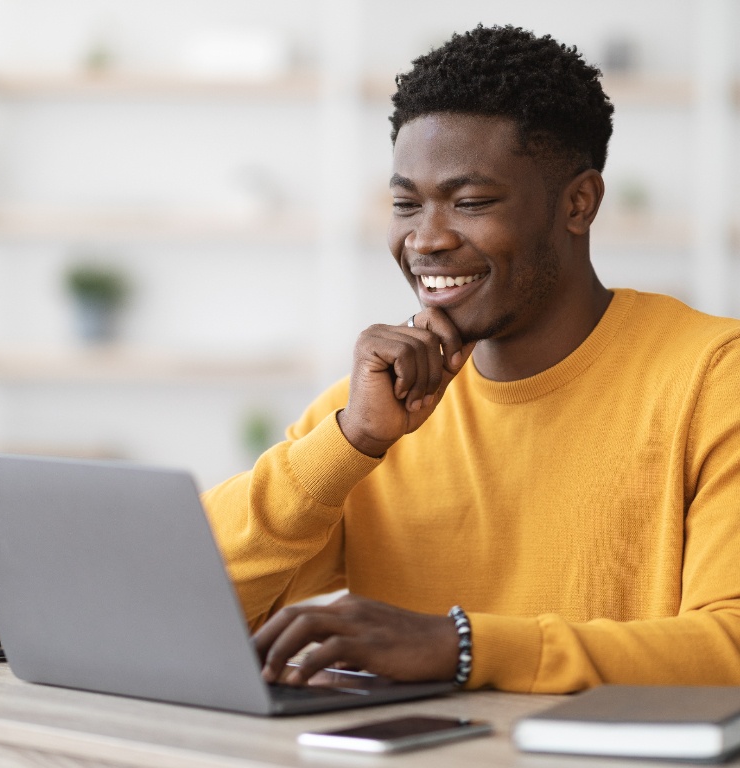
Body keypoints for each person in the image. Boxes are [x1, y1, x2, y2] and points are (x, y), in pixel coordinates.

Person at [202, 24, 740, 693]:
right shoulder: (373, 413)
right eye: (406, 204)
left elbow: (729, 646)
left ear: (579, 203)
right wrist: (351, 442)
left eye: (471, 202)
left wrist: (460, 645)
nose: (425, 239)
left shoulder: (715, 378)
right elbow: (188, 604)